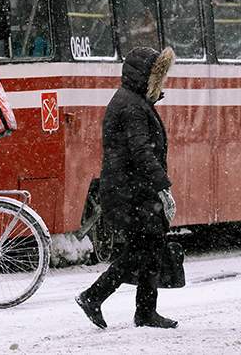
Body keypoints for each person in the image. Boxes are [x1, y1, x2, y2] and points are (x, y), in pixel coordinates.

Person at [76, 46, 178, 329]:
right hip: (131, 192)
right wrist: (163, 187)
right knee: (141, 250)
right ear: (145, 76)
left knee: (147, 248)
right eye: (158, 76)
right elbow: (141, 151)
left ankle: (143, 311)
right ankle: (95, 297)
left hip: (132, 190)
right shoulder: (132, 106)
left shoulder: (131, 101)